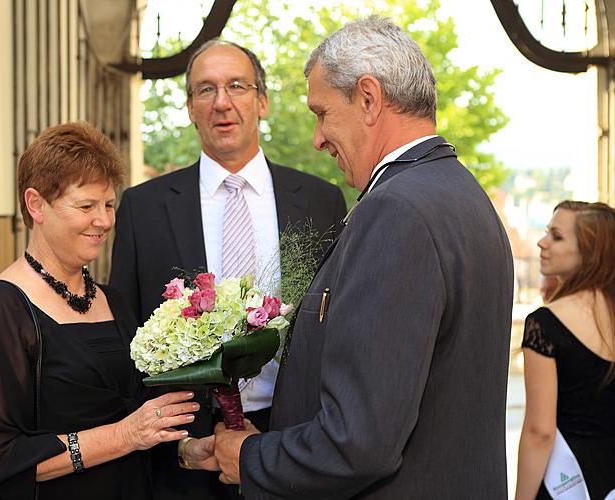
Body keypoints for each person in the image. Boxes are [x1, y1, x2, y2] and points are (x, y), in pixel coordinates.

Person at [206, 16, 514, 498]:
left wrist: (250, 458)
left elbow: (359, 441)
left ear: (368, 98)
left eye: (322, 113)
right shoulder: (463, 193)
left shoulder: (397, 211)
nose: (317, 138)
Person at [109, 40, 346, 499]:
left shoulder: (320, 201)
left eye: (237, 86)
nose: (222, 102)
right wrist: (176, 446)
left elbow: (338, 328)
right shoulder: (144, 208)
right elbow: (127, 339)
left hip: (295, 445)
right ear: (190, 108)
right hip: (185, 458)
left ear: (262, 101)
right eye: (205, 90)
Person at [0, 122, 209, 499]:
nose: (105, 221)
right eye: (86, 206)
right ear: (35, 204)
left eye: (108, 205)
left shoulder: (115, 303)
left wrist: (186, 451)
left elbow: (138, 426)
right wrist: (124, 435)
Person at [516, 201, 615, 500]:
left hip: (567, 486)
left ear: (590, 251)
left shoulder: (544, 324)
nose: (541, 242)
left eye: (556, 236)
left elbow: (540, 432)